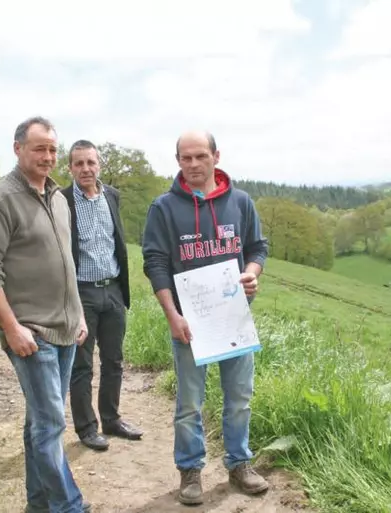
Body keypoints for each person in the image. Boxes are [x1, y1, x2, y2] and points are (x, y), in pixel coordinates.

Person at [0, 117, 92, 513]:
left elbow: (66, 263)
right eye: (39, 148)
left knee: (39, 423)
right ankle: (69, 506)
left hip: (67, 329)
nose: (48, 156)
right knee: (51, 424)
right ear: (18, 148)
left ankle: (38, 504)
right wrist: (11, 327)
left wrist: (79, 314)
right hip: (31, 333)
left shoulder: (58, 198)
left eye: (53, 149)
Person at [141, 130, 270, 506]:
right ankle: (190, 470)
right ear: (178, 161)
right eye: (186, 158)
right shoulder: (163, 208)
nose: (193, 164)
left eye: (200, 156)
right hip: (189, 324)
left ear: (216, 155)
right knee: (189, 403)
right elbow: (156, 262)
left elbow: (258, 247)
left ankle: (239, 464)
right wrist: (171, 316)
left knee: (240, 398)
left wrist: (251, 273)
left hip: (233, 319)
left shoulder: (241, 202)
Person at [61, 140, 142, 451]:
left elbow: (116, 242)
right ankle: (86, 427)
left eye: (90, 163)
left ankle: (111, 419)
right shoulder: (62, 200)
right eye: (79, 163)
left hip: (112, 290)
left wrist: (121, 290)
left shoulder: (111, 196)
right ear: (70, 168)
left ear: (99, 165)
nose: (85, 169)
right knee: (82, 364)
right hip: (81, 293)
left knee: (114, 360)